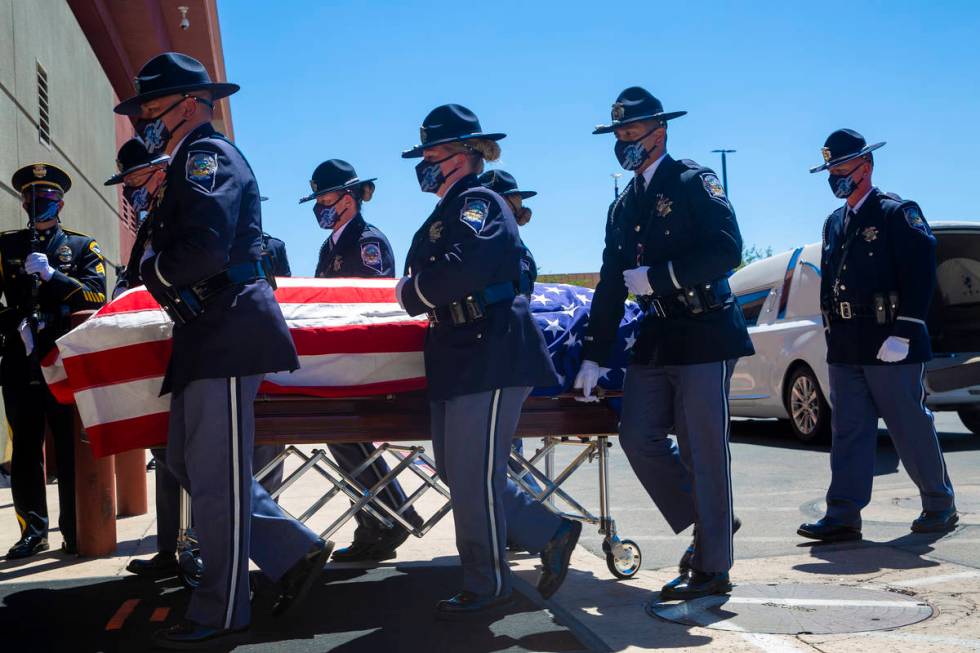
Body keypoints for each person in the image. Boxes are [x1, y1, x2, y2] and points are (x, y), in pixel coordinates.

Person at [115, 52, 330, 648]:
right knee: (187, 463)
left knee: (214, 476)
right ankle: (294, 551)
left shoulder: (208, 158)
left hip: (228, 329)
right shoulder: (188, 161)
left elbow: (205, 249)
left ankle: (221, 610)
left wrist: (155, 267)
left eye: (150, 108)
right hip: (206, 330)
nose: (143, 121)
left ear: (189, 103)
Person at [397, 104, 580, 619]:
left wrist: (410, 292)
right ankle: (550, 531)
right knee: (462, 472)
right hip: (457, 351)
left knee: (474, 473)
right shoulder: (444, 212)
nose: (425, 162)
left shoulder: (480, 202)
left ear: (464, 155)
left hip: (491, 350)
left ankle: (488, 582)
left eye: (432, 152)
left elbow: (463, 269)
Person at [574, 87, 754, 601]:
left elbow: (727, 251)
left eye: (630, 133)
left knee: (703, 450)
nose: (623, 143)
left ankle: (712, 566)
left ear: (659, 133)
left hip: (704, 329)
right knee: (637, 435)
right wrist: (593, 351)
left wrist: (661, 276)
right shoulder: (623, 204)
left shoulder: (694, 181)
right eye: (618, 135)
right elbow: (611, 281)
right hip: (656, 336)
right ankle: (712, 519)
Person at [798, 129, 956, 542]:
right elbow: (831, 280)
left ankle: (940, 505)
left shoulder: (896, 213)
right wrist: (831, 331)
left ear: (865, 166)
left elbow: (921, 276)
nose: (835, 176)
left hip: (892, 340)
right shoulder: (834, 222)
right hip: (848, 342)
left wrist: (904, 331)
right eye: (829, 169)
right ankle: (843, 516)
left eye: (841, 167)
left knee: (909, 425)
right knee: (849, 429)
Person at [300, 158, 423, 561]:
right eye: (318, 197)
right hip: (339, 356)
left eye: (327, 196)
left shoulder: (368, 241)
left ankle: (386, 519)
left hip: (361, 356)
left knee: (344, 434)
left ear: (350, 197)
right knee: (343, 438)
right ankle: (385, 518)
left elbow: (370, 300)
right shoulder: (330, 244)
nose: (321, 205)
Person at [0, 163, 107, 558]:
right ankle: (33, 530)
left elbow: (97, 297)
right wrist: (15, 324)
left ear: (60, 202)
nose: (36, 204)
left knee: (69, 447)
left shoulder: (81, 247)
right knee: (25, 449)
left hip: (63, 359)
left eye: (44, 198)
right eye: (29, 198)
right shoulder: (6, 246)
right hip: (21, 357)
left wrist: (53, 277)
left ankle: (74, 528)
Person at [477, 169, 542, 495]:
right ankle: (528, 517)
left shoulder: (512, 249)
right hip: (499, 354)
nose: (518, 207)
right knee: (503, 449)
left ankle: (536, 518)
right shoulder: (502, 246)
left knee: (502, 451)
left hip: (505, 354)